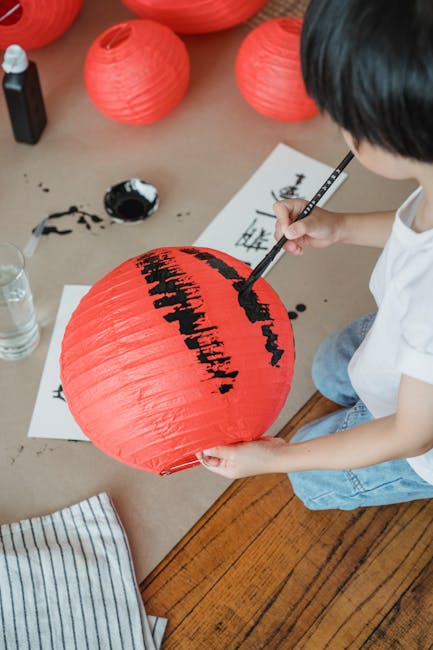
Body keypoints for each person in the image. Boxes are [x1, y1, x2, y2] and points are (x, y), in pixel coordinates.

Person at [196, 0, 433, 509]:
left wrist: (277, 459)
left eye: (350, 121)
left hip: (422, 435)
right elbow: (415, 233)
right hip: (409, 338)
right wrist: (341, 226)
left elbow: (413, 434)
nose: (342, 132)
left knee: (308, 474)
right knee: (331, 368)